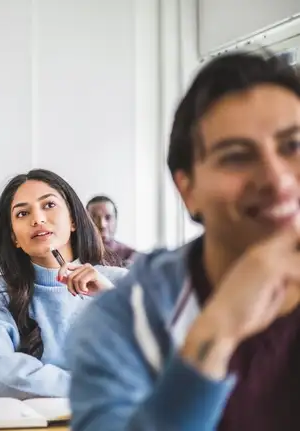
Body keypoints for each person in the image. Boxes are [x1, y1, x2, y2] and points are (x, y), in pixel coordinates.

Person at [68, 52, 300, 430]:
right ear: (187, 189)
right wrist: (216, 331)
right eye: (237, 157)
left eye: (293, 146)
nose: (277, 179)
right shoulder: (123, 322)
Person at [0, 169, 127, 399]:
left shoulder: (118, 282)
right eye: (22, 213)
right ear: (14, 238)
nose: (37, 219)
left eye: (48, 205)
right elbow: (1, 381)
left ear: (73, 220)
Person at [86, 195, 136, 266]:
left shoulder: (131, 255)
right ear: (85, 221)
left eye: (108, 217)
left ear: (116, 220)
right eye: (94, 218)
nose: (102, 224)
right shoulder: (76, 254)